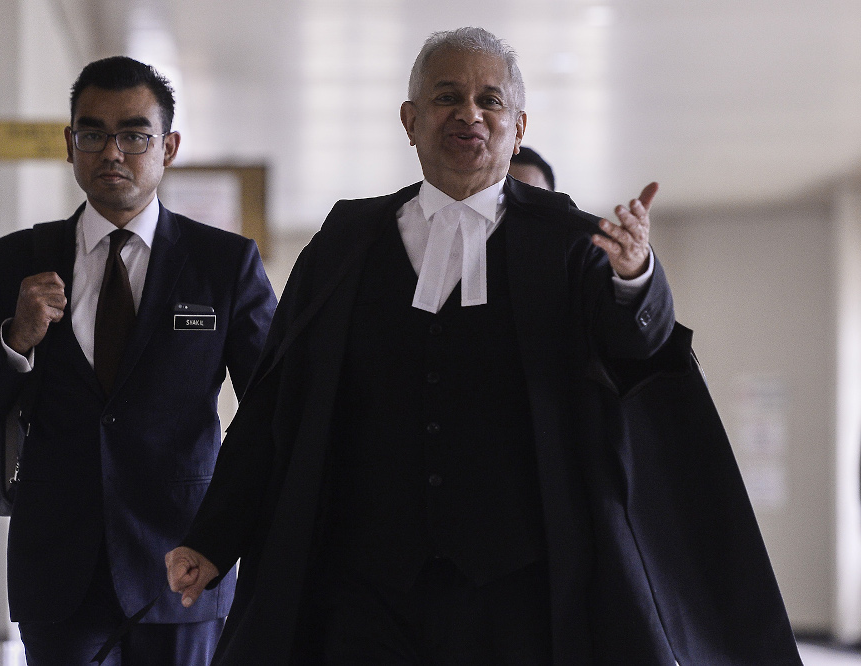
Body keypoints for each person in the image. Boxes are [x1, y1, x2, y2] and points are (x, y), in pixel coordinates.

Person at [165, 28, 800, 665]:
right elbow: (277, 404)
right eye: (447, 96)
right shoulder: (344, 243)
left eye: (490, 100)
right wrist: (214, 538)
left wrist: (635, 274)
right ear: (410, 120)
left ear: (518, 125)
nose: (469, 113)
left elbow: (639, 350)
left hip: (522, 591)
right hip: (361, 588)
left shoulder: (571, 244)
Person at [0, 56, 276, 666]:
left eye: (134, 134)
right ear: (69, 143)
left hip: (182, 567)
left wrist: (228, 538)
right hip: (58, 575)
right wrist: (15, 337)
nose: (112, 153)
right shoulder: (13, 260)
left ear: (168, 146)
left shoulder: (223, 266)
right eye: (93, 134)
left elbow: (275, 410)